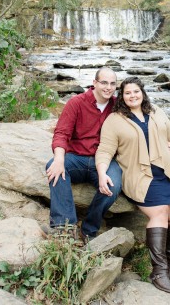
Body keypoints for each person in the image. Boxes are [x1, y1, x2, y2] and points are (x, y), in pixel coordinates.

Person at [95, 76, 170, 294]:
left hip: (166, 173)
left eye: (136, 91)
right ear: (122, 96)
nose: (132, 96)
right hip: (141, 177)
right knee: (160, 214)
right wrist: (101, 173)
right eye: (127, 93)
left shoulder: (156, 111)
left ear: (142, 93)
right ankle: (158, 270)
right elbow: (105, 150)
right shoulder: (114, 120)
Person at [45, 67, 122, 241]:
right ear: (94, 83)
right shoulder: (76, 103)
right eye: (104, 82)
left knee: (113, 185)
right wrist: (59, 158)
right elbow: (61, 133)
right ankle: (64, 227)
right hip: (76, 159)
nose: (108, 87)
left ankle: (88, 230)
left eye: (112, 84)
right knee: (54, 167)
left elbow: (140, 120)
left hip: (103, 161)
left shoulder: (118, 106)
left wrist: (165, 142)